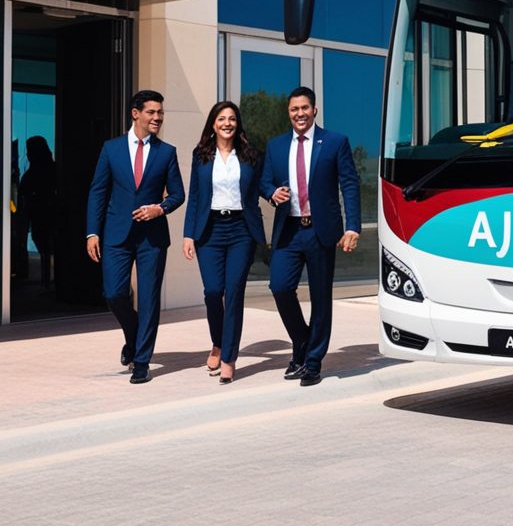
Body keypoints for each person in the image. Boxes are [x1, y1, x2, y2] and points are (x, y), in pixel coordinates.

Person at [261, 87, 361, 386]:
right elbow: (263, 181)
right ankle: (302, 343)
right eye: (294, 109)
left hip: (321, 231)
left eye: (305, 108)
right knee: (279, 287)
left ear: (314, 110)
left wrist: (353, 226)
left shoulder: (334, 142)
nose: (300, 114)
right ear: (288, 113)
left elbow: (350, 184)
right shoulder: (276, 146)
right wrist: (271, 193)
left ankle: (313, 362)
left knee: (320, 298)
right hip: (289, 230)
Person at [86, 90, 185, 384]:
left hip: (152, 238)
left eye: (161, 113)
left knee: (149, 299)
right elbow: (98, 192)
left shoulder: (167, 152)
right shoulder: (111, 149)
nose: (157, 118)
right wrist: (92, 231)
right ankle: (133, 336)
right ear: (135, 113)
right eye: (152, 112)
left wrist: (160, 208)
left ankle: (142, 361)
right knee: (114, 294)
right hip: (115, 235)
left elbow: (178, 194)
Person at [182, 102, 265, 385]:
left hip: (241, 229)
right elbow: (195, 196)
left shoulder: (251, 155)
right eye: (221, 118)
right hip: (210, 230)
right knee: (213, 291)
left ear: (237, 124)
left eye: (232, 118)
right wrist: (188, 234)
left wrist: (274, 193)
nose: (227, 123)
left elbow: (260, 186)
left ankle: (229, 358)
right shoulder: (201, 155)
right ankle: (217, 342)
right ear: (213, 124)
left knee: (234, 292)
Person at [19, 136, 57, 287]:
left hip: (42, 213)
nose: (27, 155)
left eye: (29, 151)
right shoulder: (51, 168)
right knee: (45, 244)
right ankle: (48, 279)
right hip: (43, 213)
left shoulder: (36, 171)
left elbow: (23, 189)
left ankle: (47, 280)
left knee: (44, 243)